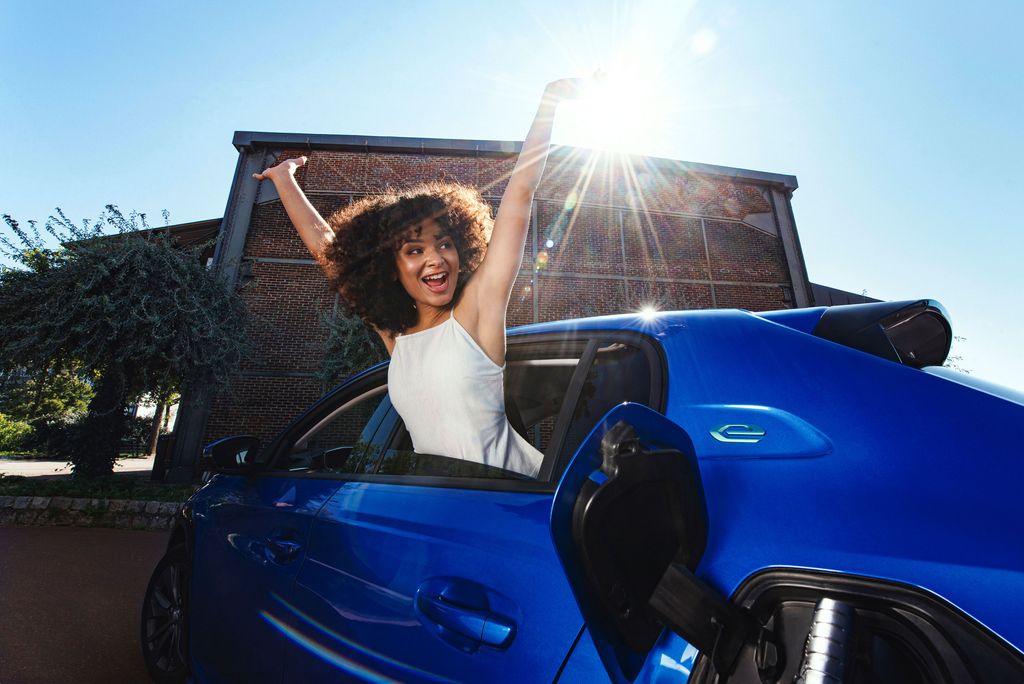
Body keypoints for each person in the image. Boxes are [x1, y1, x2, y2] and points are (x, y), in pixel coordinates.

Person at [253, 78, 583, 479]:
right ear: (388, 268)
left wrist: (549, 103)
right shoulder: (397, 337)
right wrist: (284, 178)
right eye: (414, 250)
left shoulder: (475, 314)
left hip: (518, 492)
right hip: (439, 498)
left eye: (444, 244)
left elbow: (521, 193)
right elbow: (328, 248)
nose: (435, 259)